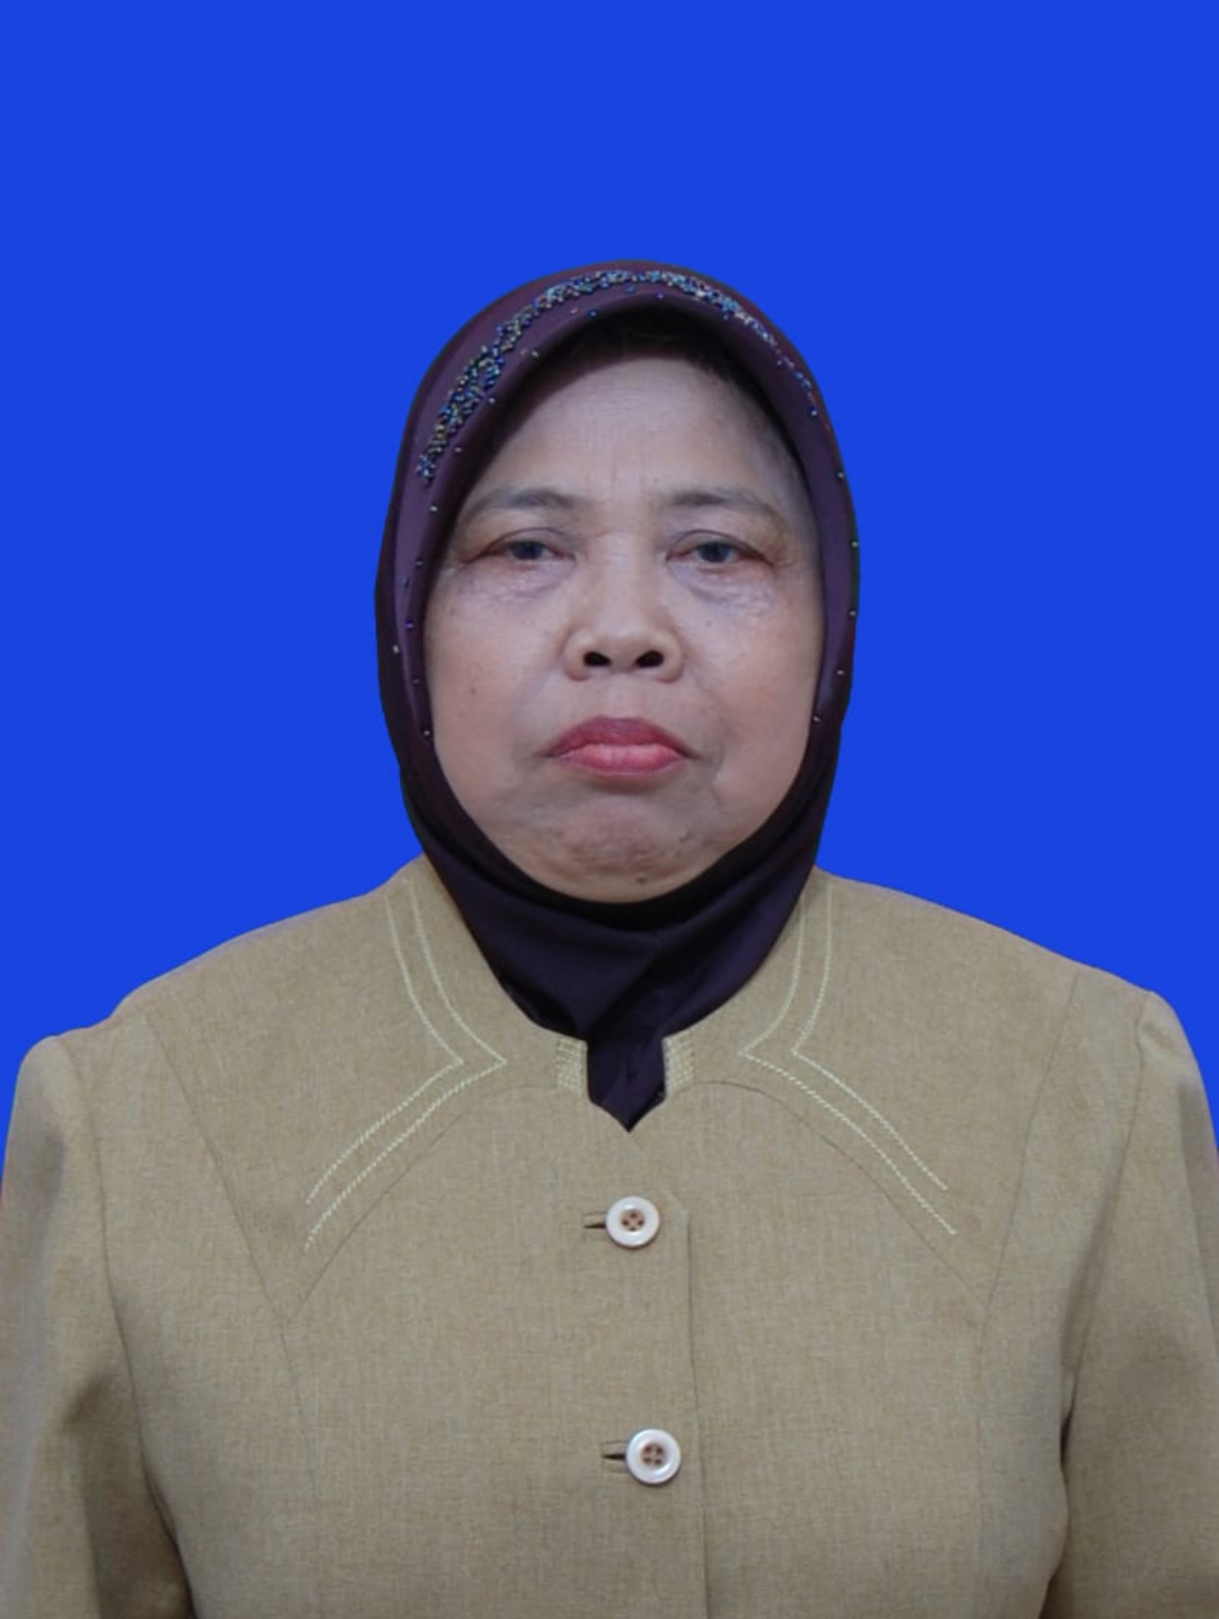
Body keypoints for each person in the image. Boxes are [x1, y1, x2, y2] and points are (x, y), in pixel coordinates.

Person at [2, 260, 1217, 1618]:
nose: (624, 632)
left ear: (830, 621)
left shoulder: (1083, 1083)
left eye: (718, 552)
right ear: (408, 615)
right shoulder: (140, 1115)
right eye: (525, 549)